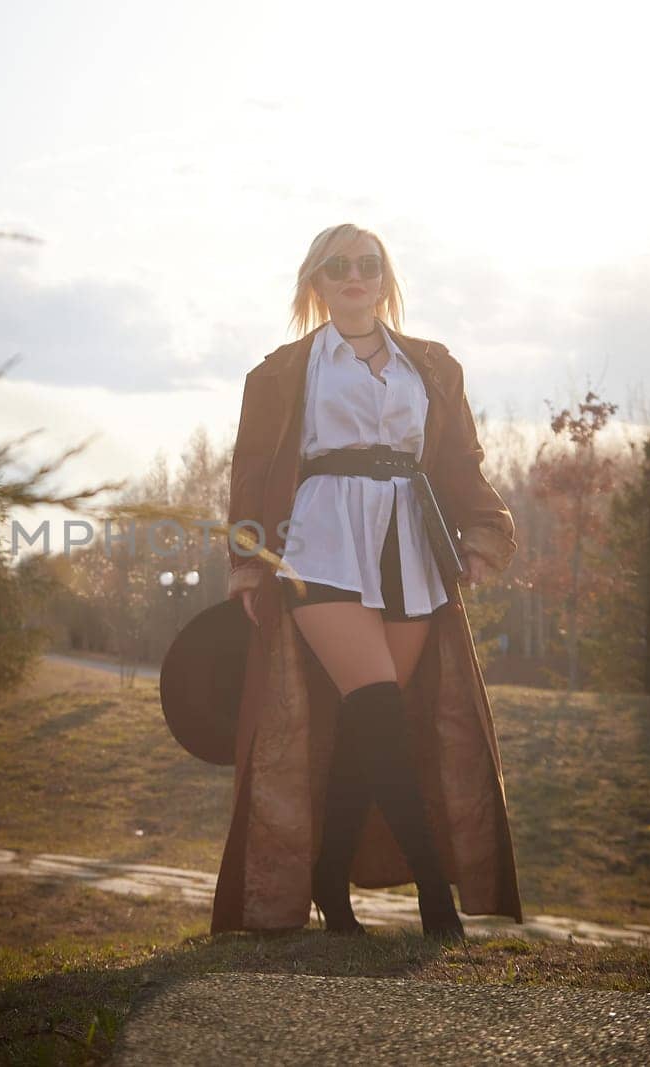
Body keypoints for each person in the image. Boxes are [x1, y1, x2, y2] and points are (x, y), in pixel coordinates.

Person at [217, 222, 520, 942]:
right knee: (378, 704)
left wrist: (479, 537)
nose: (354, 275)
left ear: (385, 278)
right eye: (337, 266)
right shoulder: (283, 372)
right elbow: (251, 470)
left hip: (408, 543)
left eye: (368, 264)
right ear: (315, 284)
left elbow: (460, 464)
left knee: (366, 725)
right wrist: (245, 562)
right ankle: (433, 894)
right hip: (319, 544)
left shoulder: (434, 367)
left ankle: (327, 877)